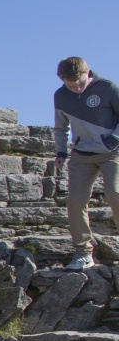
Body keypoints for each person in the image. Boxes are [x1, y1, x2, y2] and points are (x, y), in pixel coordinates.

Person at [53, 57, 119, 270]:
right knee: (75, 201)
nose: (77, 88)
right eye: (71, 85)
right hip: (81, 154)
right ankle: (83, 252)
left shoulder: (108, 88)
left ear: (87, 72)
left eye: (80, 83)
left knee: (114, 193)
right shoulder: (61, 96)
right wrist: (61, 152)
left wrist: (114, 138)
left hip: (112, 153)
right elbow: (61, 127)